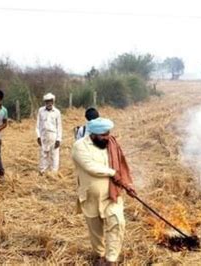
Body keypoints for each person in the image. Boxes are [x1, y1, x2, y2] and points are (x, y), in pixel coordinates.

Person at [72, 117, 136, 265]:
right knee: (96, 231)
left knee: (118, 222)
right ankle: (99, 256)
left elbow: (121, 165)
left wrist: (127, 184)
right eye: (103, 135)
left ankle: (111, 259)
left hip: (112, 195)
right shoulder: (80, 146)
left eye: (108, 133)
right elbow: (91, 167)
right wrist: (113, 173)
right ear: (93, 134)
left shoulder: (111, 144)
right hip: (90, 197)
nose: (107, 137)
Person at [36, 93, 62, 175]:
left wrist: (58, 139)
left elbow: (59, 126)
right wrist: (38, 136)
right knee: (43, 153)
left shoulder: (57, 112)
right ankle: (42, 171)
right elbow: (37, 125)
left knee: (54, 154)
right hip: (43, 135)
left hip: (53, 136)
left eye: (50, 101)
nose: (49, 103)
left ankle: (54, 173)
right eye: (47, 101)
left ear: (53, 102)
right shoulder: (40, 111)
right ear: (45, 102)